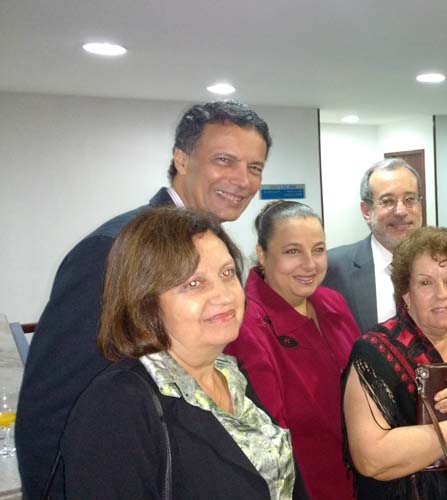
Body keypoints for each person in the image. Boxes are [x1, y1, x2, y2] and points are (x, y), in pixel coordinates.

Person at [16, 100, 271, 498]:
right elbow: (53, 407)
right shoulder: (112, 250)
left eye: (255, 167)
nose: (242, 179)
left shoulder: (212, 247)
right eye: (225, 160)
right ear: (181, 159)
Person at [58, 207, 308, 499]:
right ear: (146, 300)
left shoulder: (230, 374)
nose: (225, 295)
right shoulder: (117, 405)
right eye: (194, 283)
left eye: (227, 273)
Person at [342, 227, 447, 500]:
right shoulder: (374, 351)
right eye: (426, 283)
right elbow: (371, 459)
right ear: (406, 292)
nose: (442, 294)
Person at [224, 200, 360, 500]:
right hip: (304, 488)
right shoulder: (246, 327)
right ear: (262, 254)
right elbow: (268, 438)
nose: (310, 264)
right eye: (292, 251)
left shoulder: (332, 302)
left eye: (318, 250)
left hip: (361, 479)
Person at [324, 158, 423, 333]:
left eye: (410, 199)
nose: (401, 211)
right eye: (388, 201)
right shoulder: (332, 269)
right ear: (366, 211)